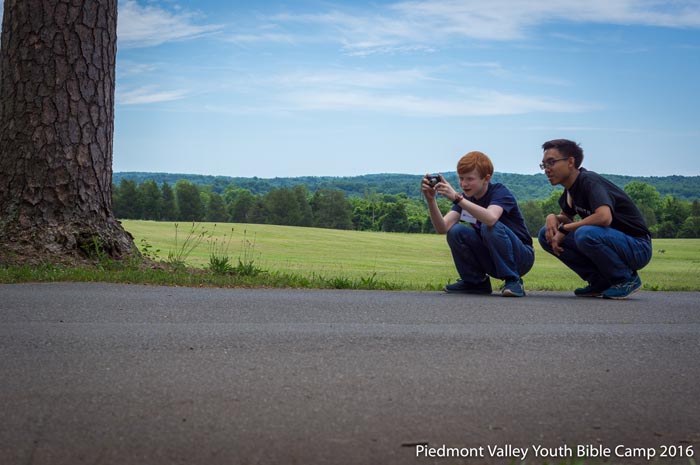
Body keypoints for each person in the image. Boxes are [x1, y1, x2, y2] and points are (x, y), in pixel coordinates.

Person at [537, 139, 652, 299]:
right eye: (544, 165)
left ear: (570, 162)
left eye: (551, 162)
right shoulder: (570, 191)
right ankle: (600, 282)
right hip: (612, 242)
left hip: (637, 246)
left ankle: (625, 279)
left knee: (585, 233)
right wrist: (552, 217)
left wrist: (565, 228)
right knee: (546, 234)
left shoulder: (589, 181)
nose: (547, 169)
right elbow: (566, 217)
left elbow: (604, 217)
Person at [422, 151, 534, 297]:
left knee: (489, 226)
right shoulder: (466, 199)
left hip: (521, 257)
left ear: (486, 178)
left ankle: (513, 280)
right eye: (461, 178)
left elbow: (491, 218)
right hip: (492, 257)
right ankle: (475, 282)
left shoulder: (499, 191)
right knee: (455, 231)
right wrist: (431, 200)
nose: (464, 184)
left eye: (470, 179)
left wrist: (457, 199)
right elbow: (442, 227)